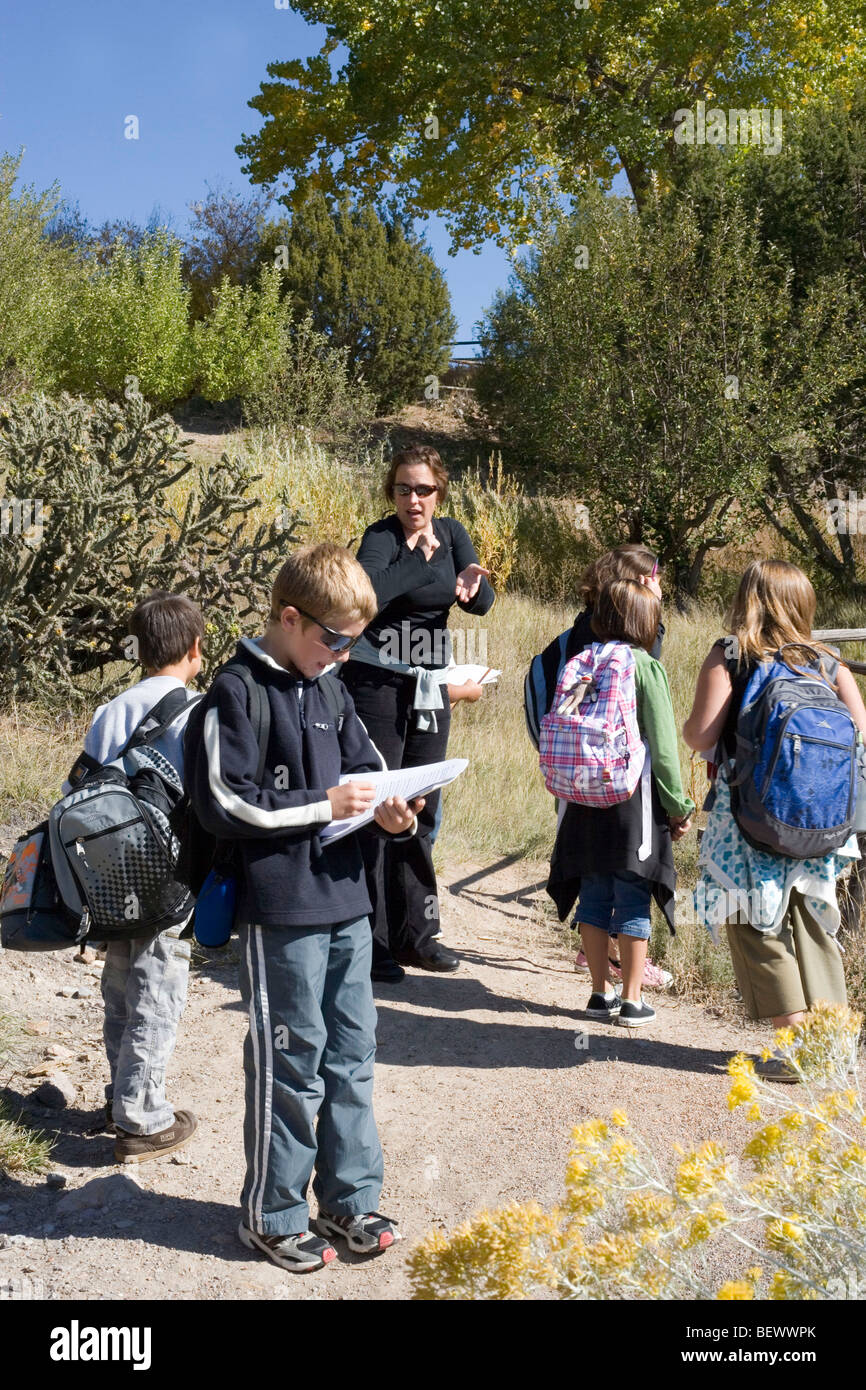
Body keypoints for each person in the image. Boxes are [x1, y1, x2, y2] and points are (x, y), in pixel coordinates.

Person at [183, 542, 423, 1272]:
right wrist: (320, 805)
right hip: (279, 909)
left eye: (355, 640)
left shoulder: (330, 685)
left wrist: (390, 810)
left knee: (351, 1056)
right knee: (291, 1064)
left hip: (348, 901)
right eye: (335, 638)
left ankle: (350, 1201)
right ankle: (274, 1213)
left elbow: (369, 768)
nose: (345, 655)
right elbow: (223, 801)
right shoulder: (236, 690)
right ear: (290, 619)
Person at [683, 559, 866, 1080]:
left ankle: (798, 1049)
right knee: (814, 924)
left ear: (748, 600)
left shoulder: (732, 655)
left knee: (752, 923)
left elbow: (699, 736)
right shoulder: (829, 663)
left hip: (749, 820)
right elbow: (860, 735)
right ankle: (832, 1045)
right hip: (821, 823)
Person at [341, 445, 495, 982]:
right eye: (404, 488)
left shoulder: (452, 534)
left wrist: (474, 590)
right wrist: (417, 559)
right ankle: (374, 941)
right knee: (383, 805)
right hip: (376, 683)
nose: (414, 499)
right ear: (393, 492)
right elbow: (367, 597)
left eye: (424, 489)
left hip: (430, 688)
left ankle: (419, 936)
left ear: (439, 493)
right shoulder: (381, 538)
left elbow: (479, 597)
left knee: (422, 809)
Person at [75, 591, 203, 1163]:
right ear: (197, 649)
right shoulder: (199, 712)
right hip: (166, 874)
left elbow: (77, 790)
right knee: (159, 987)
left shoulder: (112, 709)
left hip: (108, 873)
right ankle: (142, 1117)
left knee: (120, 984)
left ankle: (116, 1094)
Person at [546, 578, 695, 1027]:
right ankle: (632, 1000)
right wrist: (678, 805)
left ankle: (598, 993)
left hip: (582, 797)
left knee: (593, 890)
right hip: (631, 799)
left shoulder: (581, 660)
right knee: (631, 892)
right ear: (646, 622)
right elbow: (664, 747)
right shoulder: (646, 667)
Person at [529, 544, 673, 990]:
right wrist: (677, 802)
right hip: (629, 789)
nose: (662, 586)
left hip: (574, 779)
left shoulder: (571, 644)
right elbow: (657, 733)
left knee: (593, 881)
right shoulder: (642, 646)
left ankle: (598, 983)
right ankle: (630, 987)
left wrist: (563, 764)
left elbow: (544, 704)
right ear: (642, 585)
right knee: (631, 884)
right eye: (657, 577)